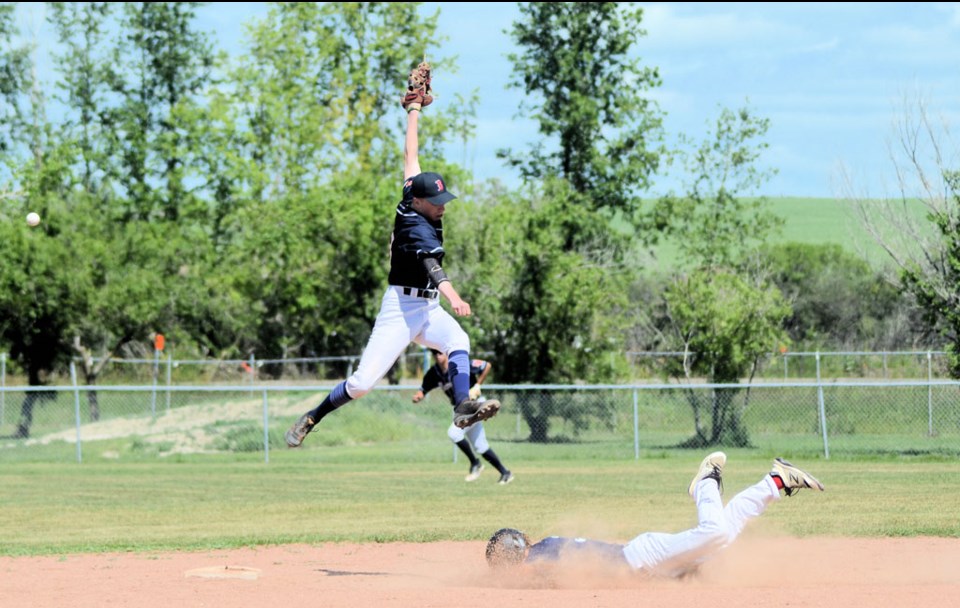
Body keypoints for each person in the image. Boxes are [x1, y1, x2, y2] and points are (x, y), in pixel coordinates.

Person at [285, 73, 500, 448]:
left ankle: (463, 405)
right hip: (401, 308)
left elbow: (410, 157)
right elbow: (433, 269)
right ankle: (312, 416)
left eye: (443, 200)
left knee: (458, 339)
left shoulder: (411, 195)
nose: (441, 207)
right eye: (436, 203)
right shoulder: (415, 226)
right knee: (362, 384)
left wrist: (413, 110)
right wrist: (454, 297)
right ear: (418, 204)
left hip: (426, 306)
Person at [485, 453, 824, 578]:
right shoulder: (542, 547)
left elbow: (538, 571)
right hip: (654, 569)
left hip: (642, 556)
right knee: (724, 535)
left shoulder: (537, 555)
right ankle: (775, 481)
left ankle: (705, 482)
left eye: (503, 560)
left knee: (715, 532)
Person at [412, 349, 513, 484]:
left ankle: (475, 463)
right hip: (460, 409)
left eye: (439, 352)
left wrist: (477, 385)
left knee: (454, 433)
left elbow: (486, 365)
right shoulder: (434, 373)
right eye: (434, 353)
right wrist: (419, 395)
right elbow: (423, 389)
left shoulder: (461, 363)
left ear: (446, 353)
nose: (437, 356)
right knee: (480, 446)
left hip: (474, 405)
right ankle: (505, 473)